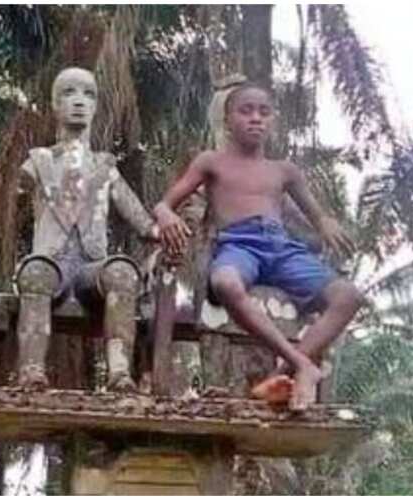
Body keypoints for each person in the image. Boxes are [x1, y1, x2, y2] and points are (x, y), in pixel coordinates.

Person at [153, 83, 364, 410]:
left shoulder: (284, 171)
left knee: (348, 295)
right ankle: (301, 363)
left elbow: (317, 216)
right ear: (227, 120)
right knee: (224, 282)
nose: (256, 119)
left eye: (264, 112)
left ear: (273, 120)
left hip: (281, 247)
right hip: (239, 244)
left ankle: (284, 372)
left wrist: (326, 224)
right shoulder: (212, 162)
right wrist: (166, 215)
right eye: (246, 111)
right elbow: (164, 204)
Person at [14, 67, 160, 392]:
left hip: (89, 269)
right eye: (69, 93)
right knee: (36, 272)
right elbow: (14, 199)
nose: (79, 102)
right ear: (54, 104)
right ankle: (31, 371)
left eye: (88, 94)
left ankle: (120, 373)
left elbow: (142, 221)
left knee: (122, 272)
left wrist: (166, 230)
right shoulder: (38, 161)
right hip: (52, 264)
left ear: (95, 106)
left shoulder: (105, 166)